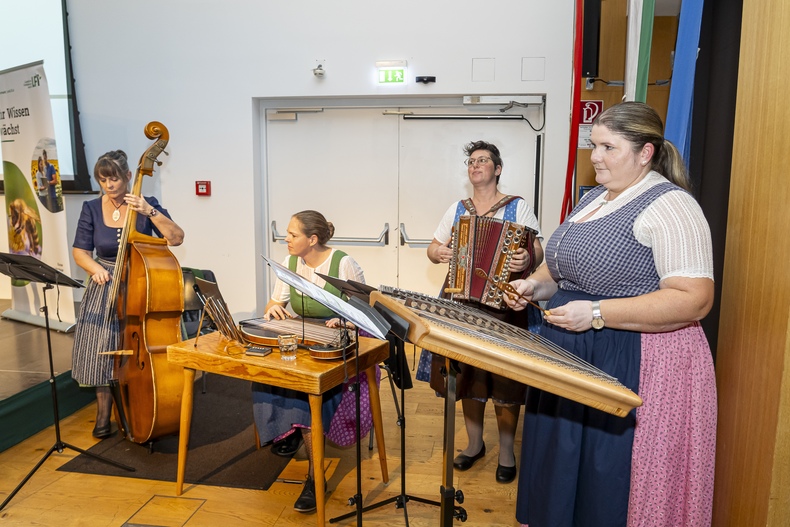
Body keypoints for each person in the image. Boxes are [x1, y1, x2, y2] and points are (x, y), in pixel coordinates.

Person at [506, 101, 717, 527]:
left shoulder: (671, 206)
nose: (595, 157)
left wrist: (598, 312)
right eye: (593, 146)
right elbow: (560, 269)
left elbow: (695, 299)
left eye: (608, 147)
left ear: (645, 152)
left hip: (635, 359)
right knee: (566, 477)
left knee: (613, 484)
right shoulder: (594, 201)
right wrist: (534, 285)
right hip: (578, 354)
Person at [421, 140, 544, 484]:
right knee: (466, 375)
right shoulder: (457, 208)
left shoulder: (517, 207)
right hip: (461, 301)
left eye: (483, 161)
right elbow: (433, 247)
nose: (475, 166)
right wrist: (439, 253)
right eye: (471, 162)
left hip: (506, 305)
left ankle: (507, 450)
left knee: (507, 379)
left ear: (497, 169)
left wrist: (527, 259)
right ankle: (475, 444)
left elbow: (536, 248)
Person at [252, 210, 377, 513]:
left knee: (310, 390)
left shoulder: (343, 262)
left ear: (313, 239)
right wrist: (273, 311)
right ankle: (290, 430)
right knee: (264, 372)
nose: (286, 239)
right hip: (303, 338)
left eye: (292, 234)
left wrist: (343, 320)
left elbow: (366, 311)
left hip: (338, 346)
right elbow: (274, 302)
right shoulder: (290, 263)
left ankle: (313, 476)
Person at [71, 150, 185, 439]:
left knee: (138, 350)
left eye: (115, 179)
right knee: (100, 346)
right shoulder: (91, 208)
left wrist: (149, 210)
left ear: (128, 177)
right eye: (103, 179)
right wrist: (94, 267)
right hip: (105, 283)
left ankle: (145, 406)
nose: (109, 185)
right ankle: (103, 413)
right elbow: (80, 251)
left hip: (141, 285)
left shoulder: (148, 205)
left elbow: (176, 238)